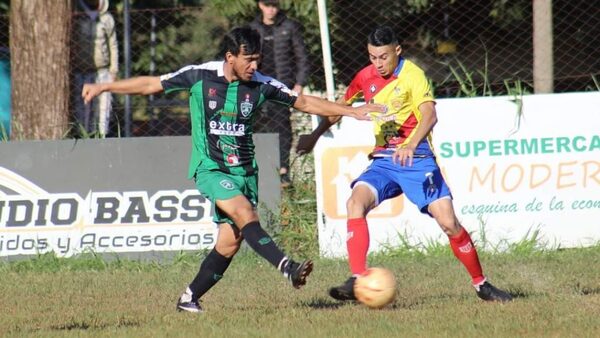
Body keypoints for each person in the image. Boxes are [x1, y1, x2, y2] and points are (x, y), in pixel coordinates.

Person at [82, 26, 383, 313]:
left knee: (229, 242)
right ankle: (287, 268)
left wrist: (351, 111)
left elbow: (303, 101)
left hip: (245, 173)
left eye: (257, 59)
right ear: (230, 57)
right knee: (246, 215)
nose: (254, 65)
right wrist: (104, 86)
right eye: (248, 59)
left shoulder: (261, 84)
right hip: (210, 169)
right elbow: (151, 84)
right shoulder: (199, 76)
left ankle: (189, 298)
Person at [296, 26, 513, 303]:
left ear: (397, 51)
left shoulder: (413, 75)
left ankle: (481, 285)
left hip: (417, 158)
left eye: (383, 57)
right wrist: (314, 137)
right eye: (373, 57)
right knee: (354, 203)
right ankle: (357, 278)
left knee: (448, 223)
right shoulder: (365, 76)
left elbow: (429, 114)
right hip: (383, 162)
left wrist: (410, 144)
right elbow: (340, 108)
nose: (378, 63)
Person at [249, 0, 309, 188]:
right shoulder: (253, 28)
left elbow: (302, 56)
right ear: (260, 5)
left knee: (282, 126)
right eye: (267, 5)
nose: (271, 9)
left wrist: (299, 83)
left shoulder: (289, 27)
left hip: (282, 86)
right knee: (256, 126)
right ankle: (258, 168)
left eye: (274, 5)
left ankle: (283, 170)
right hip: (257, 86)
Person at [73, 0, 118, 137]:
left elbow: (113, 45)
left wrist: (113, 70)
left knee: (103, 110)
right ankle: (84, 137)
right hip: (81, 71)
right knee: (82, 111)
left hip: (102, 71)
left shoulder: (107, 19)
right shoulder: (77, 17)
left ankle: (101, 138)